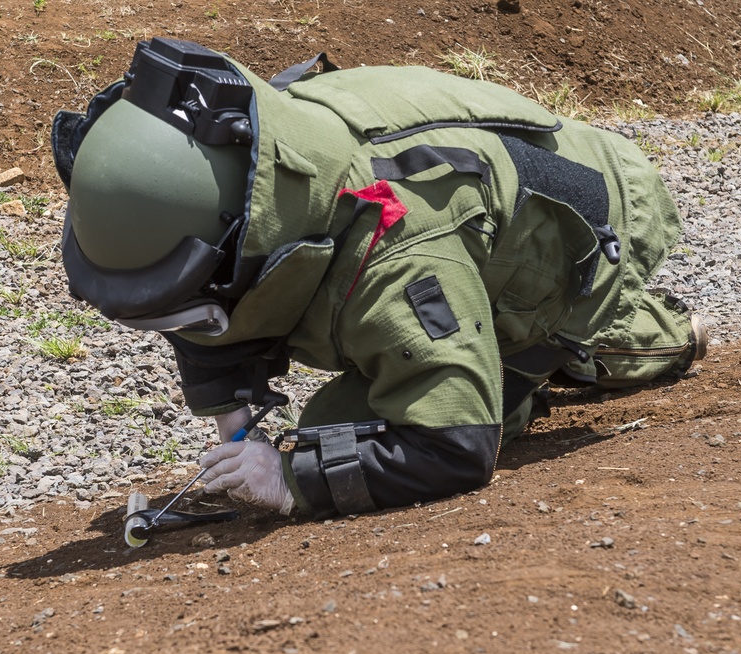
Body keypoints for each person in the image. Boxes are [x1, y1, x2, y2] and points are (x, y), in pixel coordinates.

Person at [50, 38, 707, 519]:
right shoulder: (250, 170)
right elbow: (204, 306)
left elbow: (456, 446)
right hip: (475, 217)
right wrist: (236, 437)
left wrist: (289, 478)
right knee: (357, 409)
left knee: (345, 424)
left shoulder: (399, 258)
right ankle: (503, 370)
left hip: (584, 238)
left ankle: (655, 339)